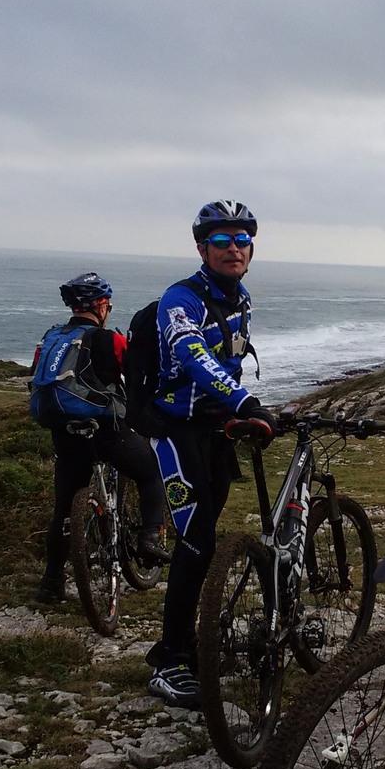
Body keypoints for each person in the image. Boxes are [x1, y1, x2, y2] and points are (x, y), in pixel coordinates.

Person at [144, 200, 273, 709]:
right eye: (221, 240)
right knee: (195, 541)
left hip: (216, 430)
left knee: (205, 537)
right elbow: (190, 352)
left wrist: (241, 410)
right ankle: (169, 662)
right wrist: (243, 401)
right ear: (202, 249)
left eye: (242, 240)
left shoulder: (242, 299)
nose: (233, 248)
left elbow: (232, 361)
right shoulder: (180, 299)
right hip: (176, 432)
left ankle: (190, 642)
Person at [35, 273, 171, 604]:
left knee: (64, 511)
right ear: (101, 305)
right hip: (105, 430)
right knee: (151, 471)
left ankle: (51, 583)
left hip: (64, 432)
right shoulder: (108, 339)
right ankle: (150, 538)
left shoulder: (52, 337)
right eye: (107, 305)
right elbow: (137, 376)